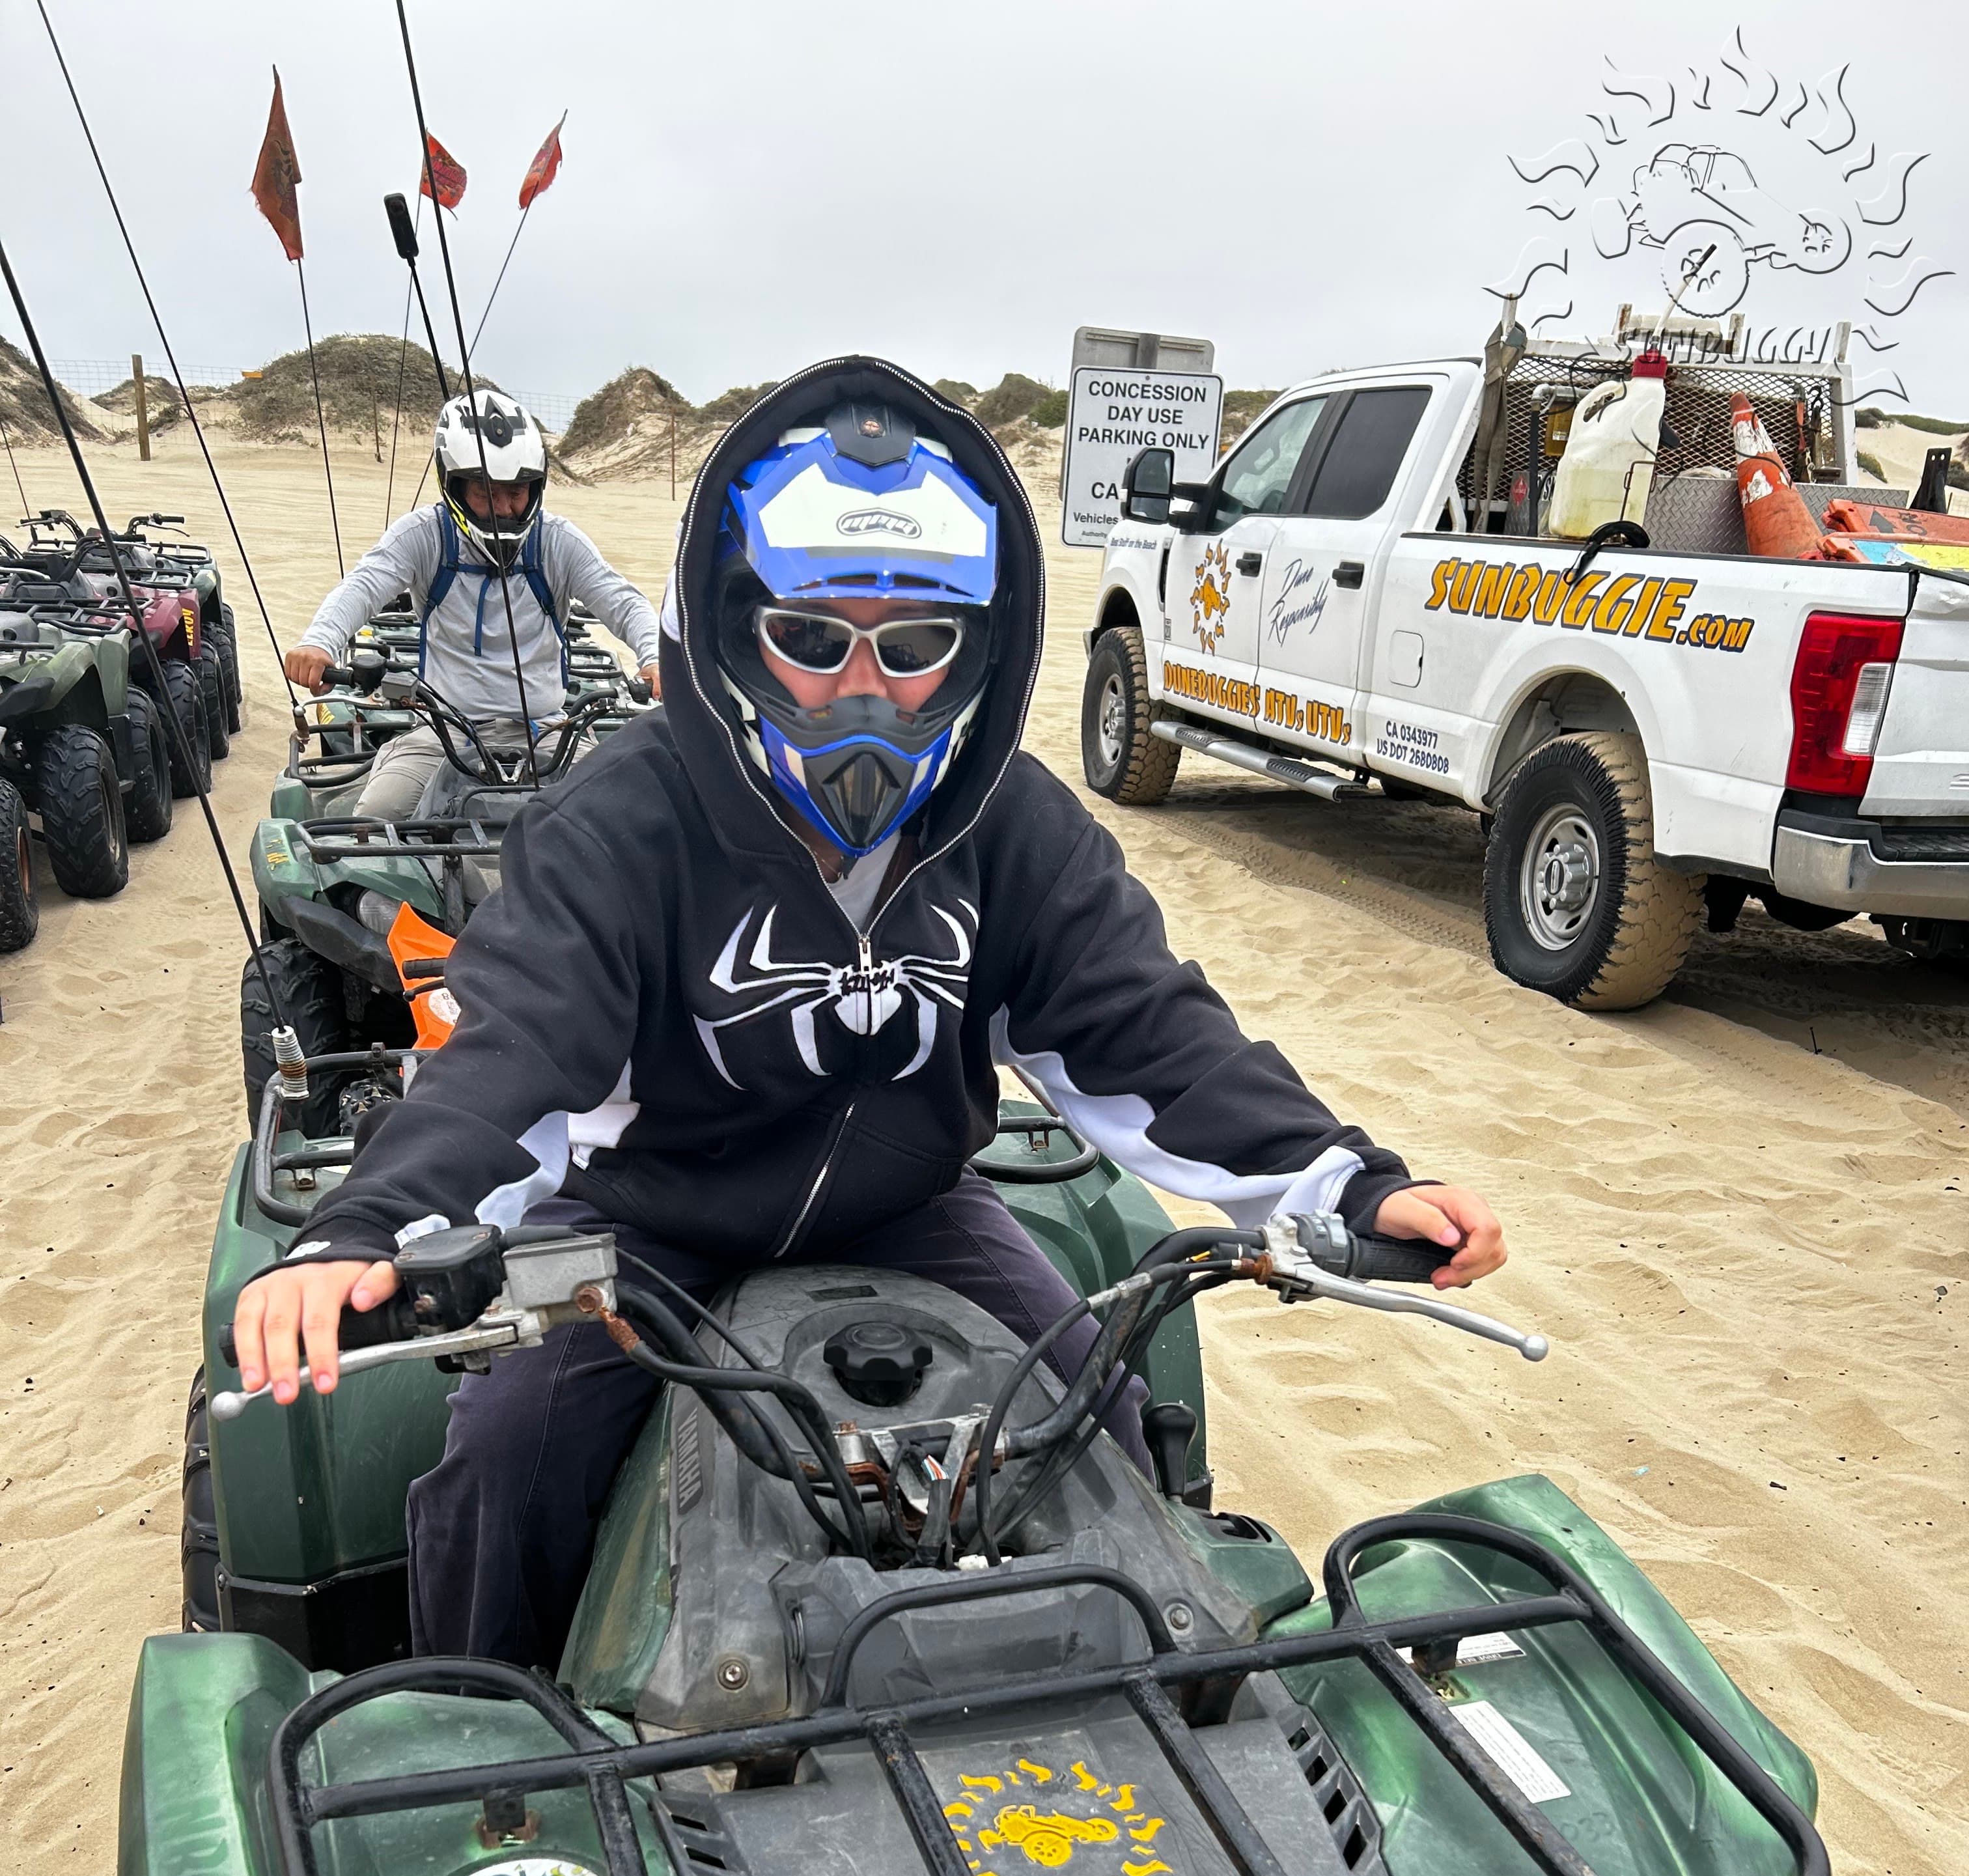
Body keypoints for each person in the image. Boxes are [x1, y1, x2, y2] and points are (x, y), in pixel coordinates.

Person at [236, 359, 1505, 1671]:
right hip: (642, 1222)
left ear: (974, 651)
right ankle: (491, 1728)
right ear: (735, 632)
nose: (862, 690)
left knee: (1099, 1419)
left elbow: (1150, 1033)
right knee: (503, 1463)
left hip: (909, 1207)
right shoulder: (620, 822)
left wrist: (1345, 1184)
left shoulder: (1011, 829)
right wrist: (371, 1228)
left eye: (911, 648)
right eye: (811, 639)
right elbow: (517, 1051)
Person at [283, 386, 663, 819]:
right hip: (444, 729)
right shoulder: (424, 535)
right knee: (377, 817)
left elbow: (623, 601)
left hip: (549, 729)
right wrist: (320, 642)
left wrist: (656, 657)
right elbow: (364, 585)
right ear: (455, 487)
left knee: (623, 819)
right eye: (487, 493)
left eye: (516, 492)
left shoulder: (558, 541)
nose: (504, 508)